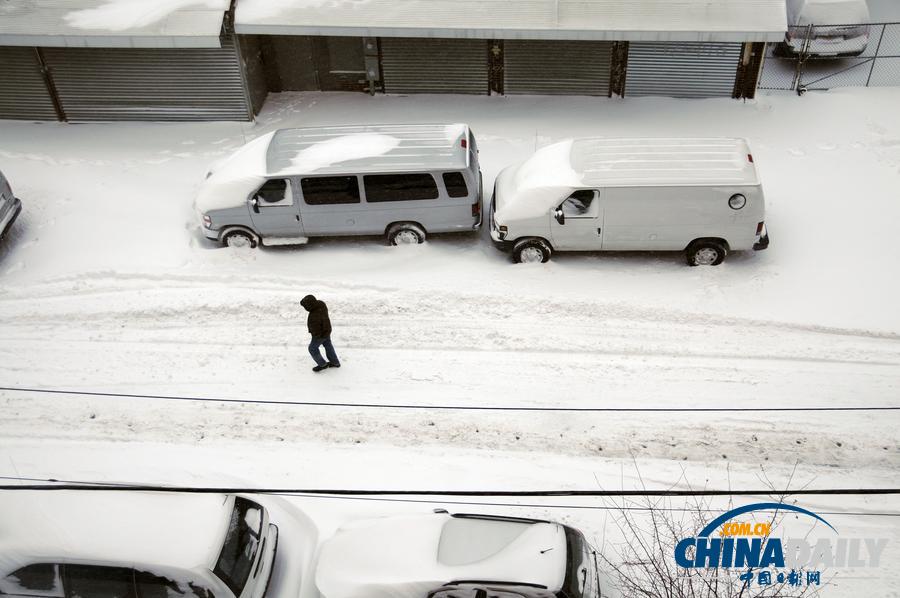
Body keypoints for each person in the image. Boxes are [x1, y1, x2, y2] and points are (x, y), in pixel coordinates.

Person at [300, 294, 341, 372]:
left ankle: (322, 364)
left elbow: (316, 330)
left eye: (305, 307)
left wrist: (315, 335)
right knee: (328, 345)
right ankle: (335, 362)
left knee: (312, 348)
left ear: (309, 305)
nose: (305, 308)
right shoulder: (321, 304)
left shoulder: (314, 316)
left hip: (320, 334)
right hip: (327, 330)